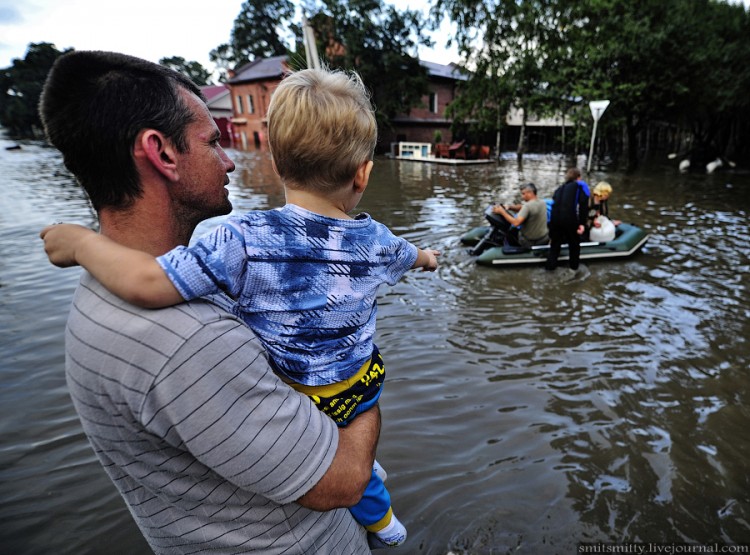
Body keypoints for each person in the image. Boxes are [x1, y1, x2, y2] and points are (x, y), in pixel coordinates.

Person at [41, 65, 440, 549]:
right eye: (212, 142)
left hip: (288, 456)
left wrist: (80, 244)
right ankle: (386, 523)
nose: (229, 161)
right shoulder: (190, 341)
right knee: (368, 471)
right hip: (347, 421)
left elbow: (149, 281)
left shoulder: (232, 247)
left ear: (277, 163)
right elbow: (345, 479)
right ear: (161, 152)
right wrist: (366, 396)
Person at [545, 167, 589, 273]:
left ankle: (550, 269)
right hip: (569, 220)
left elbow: (554, 205)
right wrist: (582, 224)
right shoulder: (580, 186)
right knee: (574, 245)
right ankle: (574, 269)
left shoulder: (559, 189)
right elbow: (583, 205)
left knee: (555, 246)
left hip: (555, 221)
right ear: (578, 177)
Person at [491, 182, 549, 247]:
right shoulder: (541, 202)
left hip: (530, 242)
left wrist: (502, 212)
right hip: (544, 238)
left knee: (510, 233)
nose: (522, 197)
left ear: (530, 193)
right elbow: (523, 207)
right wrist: (510, 207)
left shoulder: (527, 206)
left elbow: (516, 223)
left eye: (523, 194)